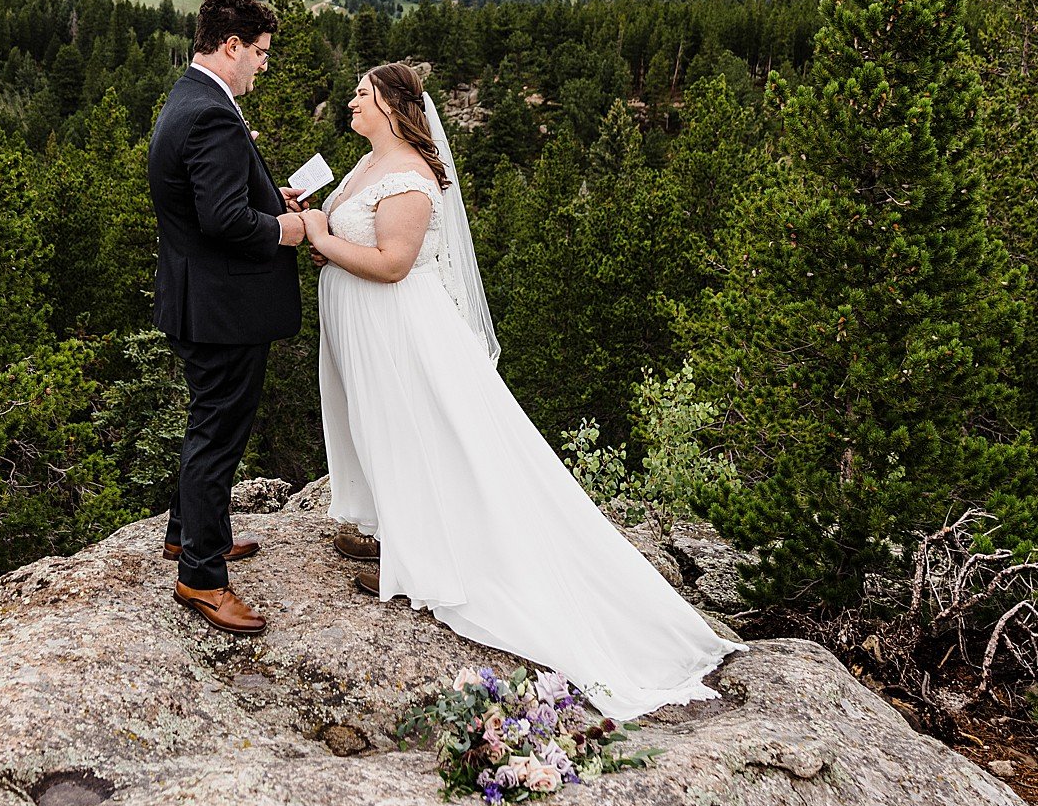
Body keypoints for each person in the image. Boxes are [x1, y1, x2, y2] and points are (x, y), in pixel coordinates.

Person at [302, 62, 735, 717]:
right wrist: (319, 233)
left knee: (414, 434)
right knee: (379, 429)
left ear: (393, 106)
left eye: (361, 94)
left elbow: (392, 266)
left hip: (402, 331)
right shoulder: (363, 165)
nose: (351, 102)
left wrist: (319, 240)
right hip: (363, 329)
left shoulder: (411, 178)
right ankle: (391, 527)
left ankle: (426, 562)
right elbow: (346, 240)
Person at [146, 0, 308, 635]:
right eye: (261, 52)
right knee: (218, 437)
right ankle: (202, 579)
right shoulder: (212, 113)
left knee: (207, 425)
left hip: (196, 298)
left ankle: (187, 536)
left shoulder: (191, 96)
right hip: (221, 306)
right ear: (232, 45)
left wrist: (271, 196)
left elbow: (208, 196)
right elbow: (218, 218)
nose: (264, 64)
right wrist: (287, 230)